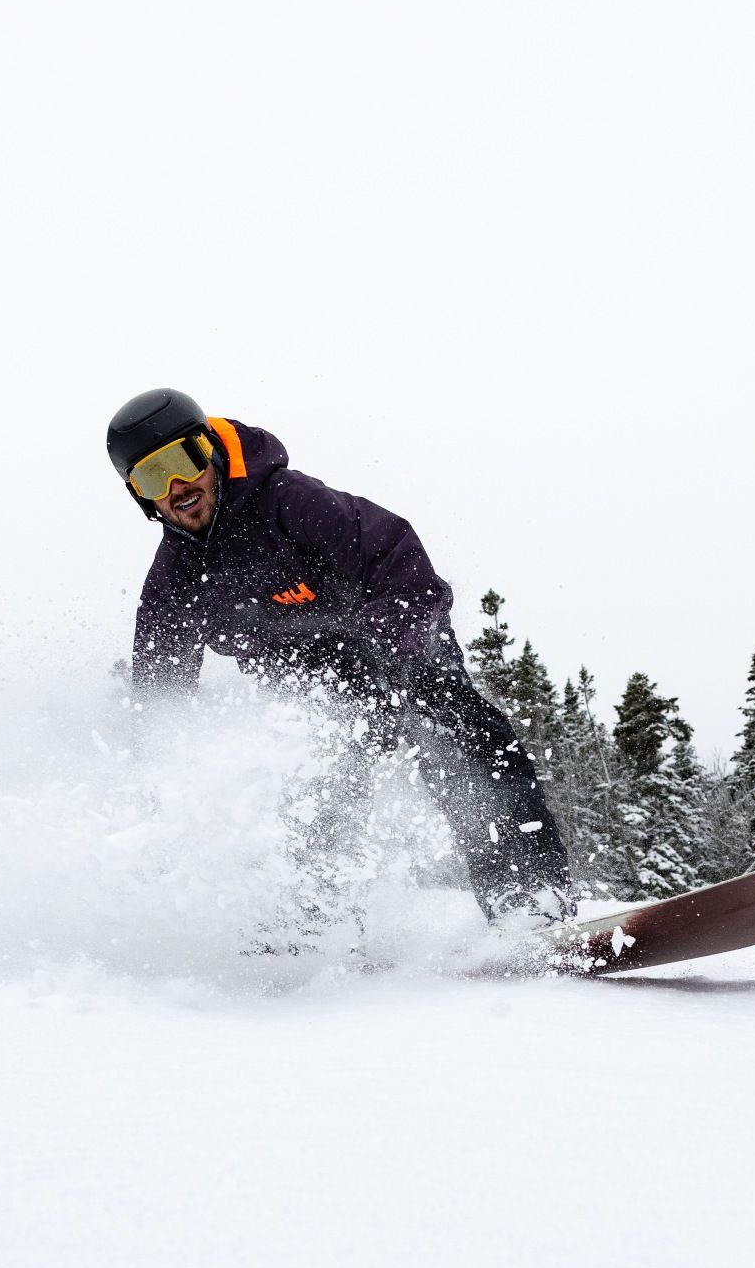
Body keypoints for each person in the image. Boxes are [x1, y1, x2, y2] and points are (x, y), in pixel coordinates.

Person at [107, 388, 575, 940]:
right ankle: (314, 923)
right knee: (317, 774)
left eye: (181, 462)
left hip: (397, 637)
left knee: (456, 731)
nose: (175, 487)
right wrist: (162, 771)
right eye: (151, 479)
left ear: (208, 451)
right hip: (314, 678)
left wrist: (388, 651)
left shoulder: (290, 503)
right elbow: (161, 695)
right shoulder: (174, 581)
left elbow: (403, 565)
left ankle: (526, 898)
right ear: (141, 497)